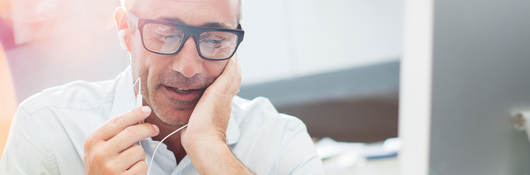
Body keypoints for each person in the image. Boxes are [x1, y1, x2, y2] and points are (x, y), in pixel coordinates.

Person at [0, 0, 324, 174]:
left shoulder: (280, 140)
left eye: (214, 39)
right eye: (165, 34)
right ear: (125, 30)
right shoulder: (47, 128)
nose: (188, 67)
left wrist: (211, 149)